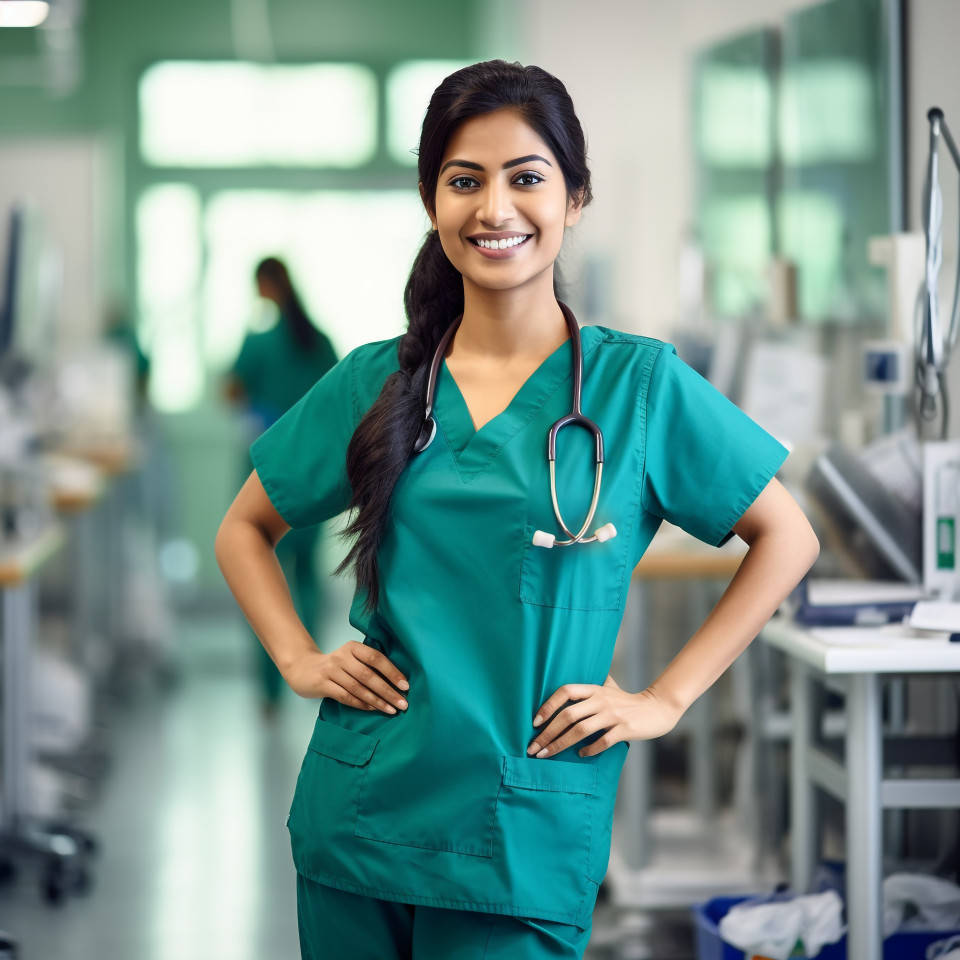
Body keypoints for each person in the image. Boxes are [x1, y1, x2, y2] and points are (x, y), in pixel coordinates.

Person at [215, 61, 819, 959]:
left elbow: (787, 536)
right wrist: (299, 659)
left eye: (526, 177)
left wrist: (665, 699)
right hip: (360, 819)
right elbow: (244, 528)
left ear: (575, 197)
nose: (494, 208)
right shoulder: (376, 382)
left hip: (519, 836)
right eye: (465, 181)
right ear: (432, 201)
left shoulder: (637, 386)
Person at [224, 257, 338, 715]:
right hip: (317, 472)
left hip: (269, 473)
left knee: (264, 579)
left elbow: (230, 391)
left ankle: (271, 692)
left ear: (266, 285)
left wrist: (256, 403)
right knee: (307, 578)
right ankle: (318, 672)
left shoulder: (259, 341)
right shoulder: (320, 341)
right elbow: (337, 403)